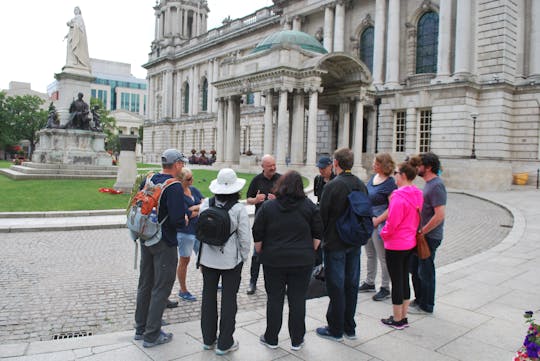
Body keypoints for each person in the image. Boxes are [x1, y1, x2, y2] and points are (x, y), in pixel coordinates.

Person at [252, 171, 322, 351]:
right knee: (297, 300)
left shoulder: (269, 207)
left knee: (274, 299)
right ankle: (297, 339)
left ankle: (272, 337)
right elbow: (318, 234)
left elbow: (257, 232)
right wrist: (309, 250)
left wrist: (260, 250)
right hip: (302, 260)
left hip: (274, 259)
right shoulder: (309, 206)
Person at [134, 149, 189, 348]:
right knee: (161, 286)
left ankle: (141, 328)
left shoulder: (149, 179)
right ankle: (152, 334)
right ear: (176, 165)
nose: (182, 166)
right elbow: (176, 220)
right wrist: (184, 218)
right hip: (164, 241)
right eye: (181, 163)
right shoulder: (173, 186)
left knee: (145, 282)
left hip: (145, 235)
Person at [316, 147, 367, 342]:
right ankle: (349, 326)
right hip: (354, 241)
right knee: (351, 284)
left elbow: (323, 217)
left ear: (335, 163)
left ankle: (335, 328)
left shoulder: (333, 186)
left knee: (336, 285)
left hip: (336, 242)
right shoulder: (360, 184)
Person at [199, 168, 251, 356]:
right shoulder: (238, 209)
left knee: (208, 299)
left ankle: (207, 339)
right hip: (230, 261)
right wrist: (244, 257)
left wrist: (201, 255)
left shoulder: (206, 204)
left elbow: (201, 232)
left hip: (208, 259)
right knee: (229, 301)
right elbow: (245, 237)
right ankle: (224, 343)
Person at [379, 161, 423, 329]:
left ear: (403, 175)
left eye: (396, 172)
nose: (394, 175)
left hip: (396, 244)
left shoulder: (398, 196)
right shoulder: (418, 193)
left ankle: (397, 319)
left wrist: (383, 234)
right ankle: (403, 316)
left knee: (396, 281)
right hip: (410, 242)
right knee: (404, 279)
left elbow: (392, 222)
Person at [408, 152, 447, 315]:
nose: (417, 168)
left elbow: (439, 215)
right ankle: (419, 299)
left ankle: (427, 305)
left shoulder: (437, 185)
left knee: (426, 271)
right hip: (422, 235)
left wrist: (423, 231)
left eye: (420, 165)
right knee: (415, 269)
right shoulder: (429, 184)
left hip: (429, 237)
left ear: (428, 167)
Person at [359, 153, 397, 301]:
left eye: (376, 163)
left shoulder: (390, 183)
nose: (374, 165)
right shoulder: (373, 178)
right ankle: (369, 281)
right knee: (369, 254)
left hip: (380, 223)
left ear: (383, 165)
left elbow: (392, 207)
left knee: (383, 256)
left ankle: (385, 287)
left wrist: (378, 220)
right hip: (369, 221)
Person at [245, 154, 281, 295]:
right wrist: (256, 199)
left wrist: (279, 198)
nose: (273, 168)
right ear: (263, 167)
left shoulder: (281, 179)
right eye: (269, 166)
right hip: (261, 224)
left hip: (278, 223)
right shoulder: (256, 180)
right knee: (256, 254)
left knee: (277, 254)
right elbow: (248, 199)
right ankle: (252, 282)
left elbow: (291, 198)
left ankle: (277, 283)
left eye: (274, 165)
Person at [176, 167, 203, 302]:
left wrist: (193, 209)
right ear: (180, 180)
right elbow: (187, 214)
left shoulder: (194, 190)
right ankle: (183, 290)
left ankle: (210, 284)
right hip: (185, 232)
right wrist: (196, 209)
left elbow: (205, 203)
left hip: (198, 230)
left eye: (192, 177)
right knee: (184, 260)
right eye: (188, 179)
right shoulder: (178, 195)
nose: (192, 181)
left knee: (204, 258)